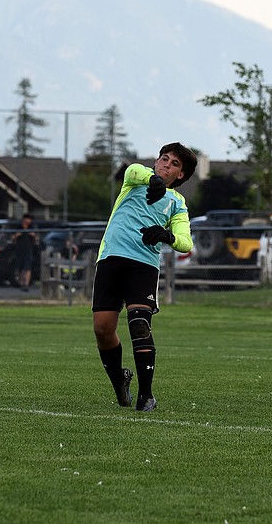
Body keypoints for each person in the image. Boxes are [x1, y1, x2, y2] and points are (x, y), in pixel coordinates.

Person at [92, 142, 197, 412]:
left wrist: (166, 235)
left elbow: (186, 242)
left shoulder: (177, 202)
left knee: (139, 323)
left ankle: (146, 395)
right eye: (164, 159)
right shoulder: (135, 180)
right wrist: (152, 179)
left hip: (143, 265)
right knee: (103, 329)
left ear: (181, 175)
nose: (166, 165)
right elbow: (133, 170)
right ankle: (120, 381)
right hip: (111, 259)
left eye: (175, 164)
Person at [10, 213, 39, 291]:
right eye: (28, 219)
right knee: (20, 268)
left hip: (28, 251)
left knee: (27, 268)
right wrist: (16, 235)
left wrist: (33, 236)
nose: (29, 221)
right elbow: (12, 239)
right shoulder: (18, 228)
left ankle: (26, 284)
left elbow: (36, 240)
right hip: (19, 251)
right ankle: (21, 283)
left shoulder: (31, 228)